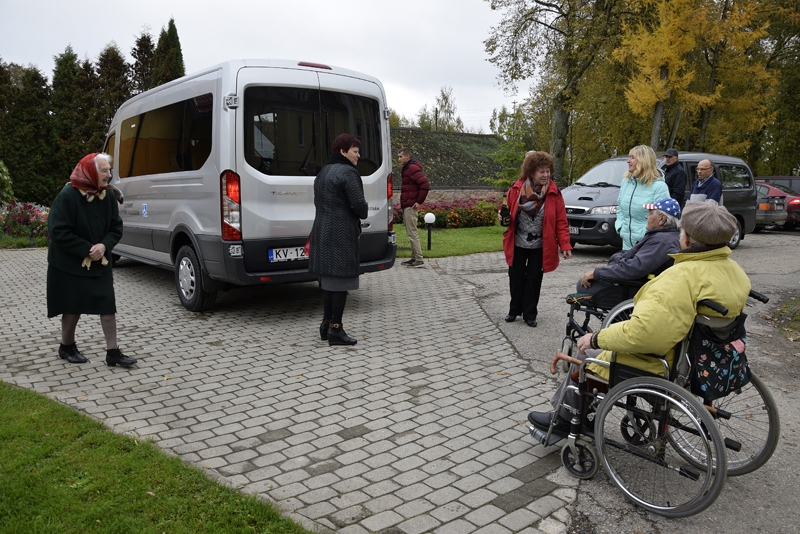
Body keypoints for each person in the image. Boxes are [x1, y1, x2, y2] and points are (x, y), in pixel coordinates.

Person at [529, 201, 751, 435]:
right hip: (703, 359)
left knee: (587, 355)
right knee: (596, 350)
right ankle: (584, 413)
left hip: (662, 363)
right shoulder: (734, 271)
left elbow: (643, 334)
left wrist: (596, 338)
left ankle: (566, 420)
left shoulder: (680, 278)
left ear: (686, 238)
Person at [47, 153, 137, 367]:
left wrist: (104, 246)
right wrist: (87, 249)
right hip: (69, 263)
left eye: (109, 170)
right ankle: (66, 346)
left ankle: (113, 352)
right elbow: (58, 231)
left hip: (100, 261)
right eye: (104, 170)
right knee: (72, 305)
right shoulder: (68, 195)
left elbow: (116, 227)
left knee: (107, 304)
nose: (109, 175)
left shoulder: (107, 196)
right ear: (90, 172)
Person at [309, 133, 369, 346]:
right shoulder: (348, 172)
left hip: (321, 230)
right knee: (340, 281)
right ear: (343, 151)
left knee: (328, 281)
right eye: (355, 151)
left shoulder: (323, 172)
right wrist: (363, 210)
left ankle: (326, 325)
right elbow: (359, 206)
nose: (358, 155)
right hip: (340, 233)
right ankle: (336, 329)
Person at [502, 151, 573, 327]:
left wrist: (565, 244)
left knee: (534, 279)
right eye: (542, 171)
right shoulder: (516, 189)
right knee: (516, 276)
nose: (546, 175)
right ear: (531, 172)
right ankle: (514, 310)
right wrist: (502, 215)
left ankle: (530, 314)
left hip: (541, 244)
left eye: (548, 171)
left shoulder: (554, 192)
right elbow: (505, 210)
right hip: (517, 242)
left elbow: (561, 221)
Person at [578, 197, 681, 299]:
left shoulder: (662, 241)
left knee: (583, 285)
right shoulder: (664, 237)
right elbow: (634, 260)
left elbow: (634, 268)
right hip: (642, 283)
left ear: (662, 219)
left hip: (642, 289)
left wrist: (597, 273)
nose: (646, 216)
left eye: (650, 213)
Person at [615, 145, 670, 250]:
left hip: (647, 246)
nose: (628, 161)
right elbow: (620, 208)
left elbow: (662, 218)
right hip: (626, 245)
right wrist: (620, 227)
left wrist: (643, 235)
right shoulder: (626, 182)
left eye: (632, 157)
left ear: (643, 161)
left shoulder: (659, 187)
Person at [397, 148, 430, 268]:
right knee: (410, 232)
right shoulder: (406, 168)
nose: (399, 159)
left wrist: (419, 201)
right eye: (398, 157)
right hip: (407, 204)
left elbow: (425, 185)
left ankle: (419, 259)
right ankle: (414, 257)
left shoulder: (412, 168)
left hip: (410, 205)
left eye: (401, 156)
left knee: (412, 233)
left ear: (408, 156)